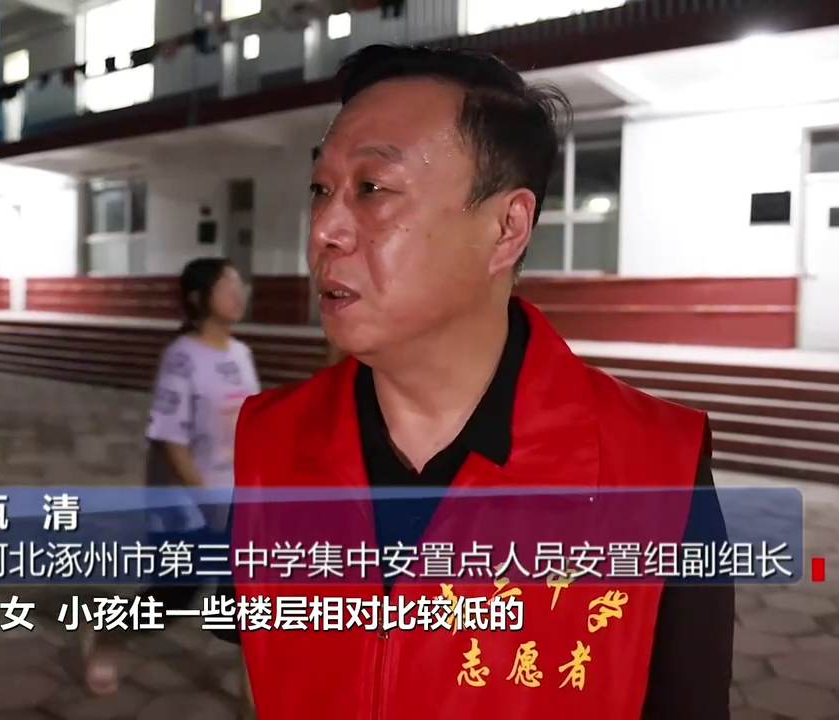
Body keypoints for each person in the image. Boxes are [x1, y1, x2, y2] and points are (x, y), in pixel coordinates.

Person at [229, 45, 734, 719]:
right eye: (321, 189)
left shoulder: (653, 467)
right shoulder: (269, 438)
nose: (324, 229)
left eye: (372, 189)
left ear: (506, 228)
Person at [82, 257, 260, 706]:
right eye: (227, 286)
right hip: (187, 504)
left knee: (247, 600)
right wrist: (206, 502)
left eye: (239, 284)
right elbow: (169, 439)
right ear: (198, 299)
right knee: (172, 595)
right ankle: (108, 635)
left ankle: (254, 700)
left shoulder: (241, 355)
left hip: (236, 500)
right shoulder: (182, 357)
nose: (238, 293)